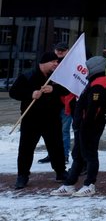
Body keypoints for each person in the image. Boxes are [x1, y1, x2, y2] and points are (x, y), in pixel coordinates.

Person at [51, 56, 106, 196]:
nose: (86, 69)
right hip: (84, 125)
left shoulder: (99, 84)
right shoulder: (95, 81)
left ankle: (89, 184)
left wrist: (85, 124)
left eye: (88, 66)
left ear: (95, 67)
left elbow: (94, 108)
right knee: (78, 154)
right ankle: (69, 184)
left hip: (90, 125)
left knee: (89, 154)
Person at [9, 51, 68, 189]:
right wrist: (30, 94)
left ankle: (60, 172)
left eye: (57, 62)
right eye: (53, 62)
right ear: (43, 63)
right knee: (26, 148)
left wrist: (53, 89)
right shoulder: (27, 76)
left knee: (56, 146)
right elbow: (13, 92)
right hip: (31, 119)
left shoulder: (56, 77)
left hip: (51, 118)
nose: (56, 64)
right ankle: (22, 176)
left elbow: (65, 90)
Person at [37, 42, 73, 166]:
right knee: (51, 131)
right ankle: (52, 154)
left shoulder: (70, 64)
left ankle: (64, 156)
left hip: (65, 103)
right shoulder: (51, 62)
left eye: (63, 51)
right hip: (52, 104)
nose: (60, 53)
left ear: (68, 51)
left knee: (64, 131)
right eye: (58, 50)